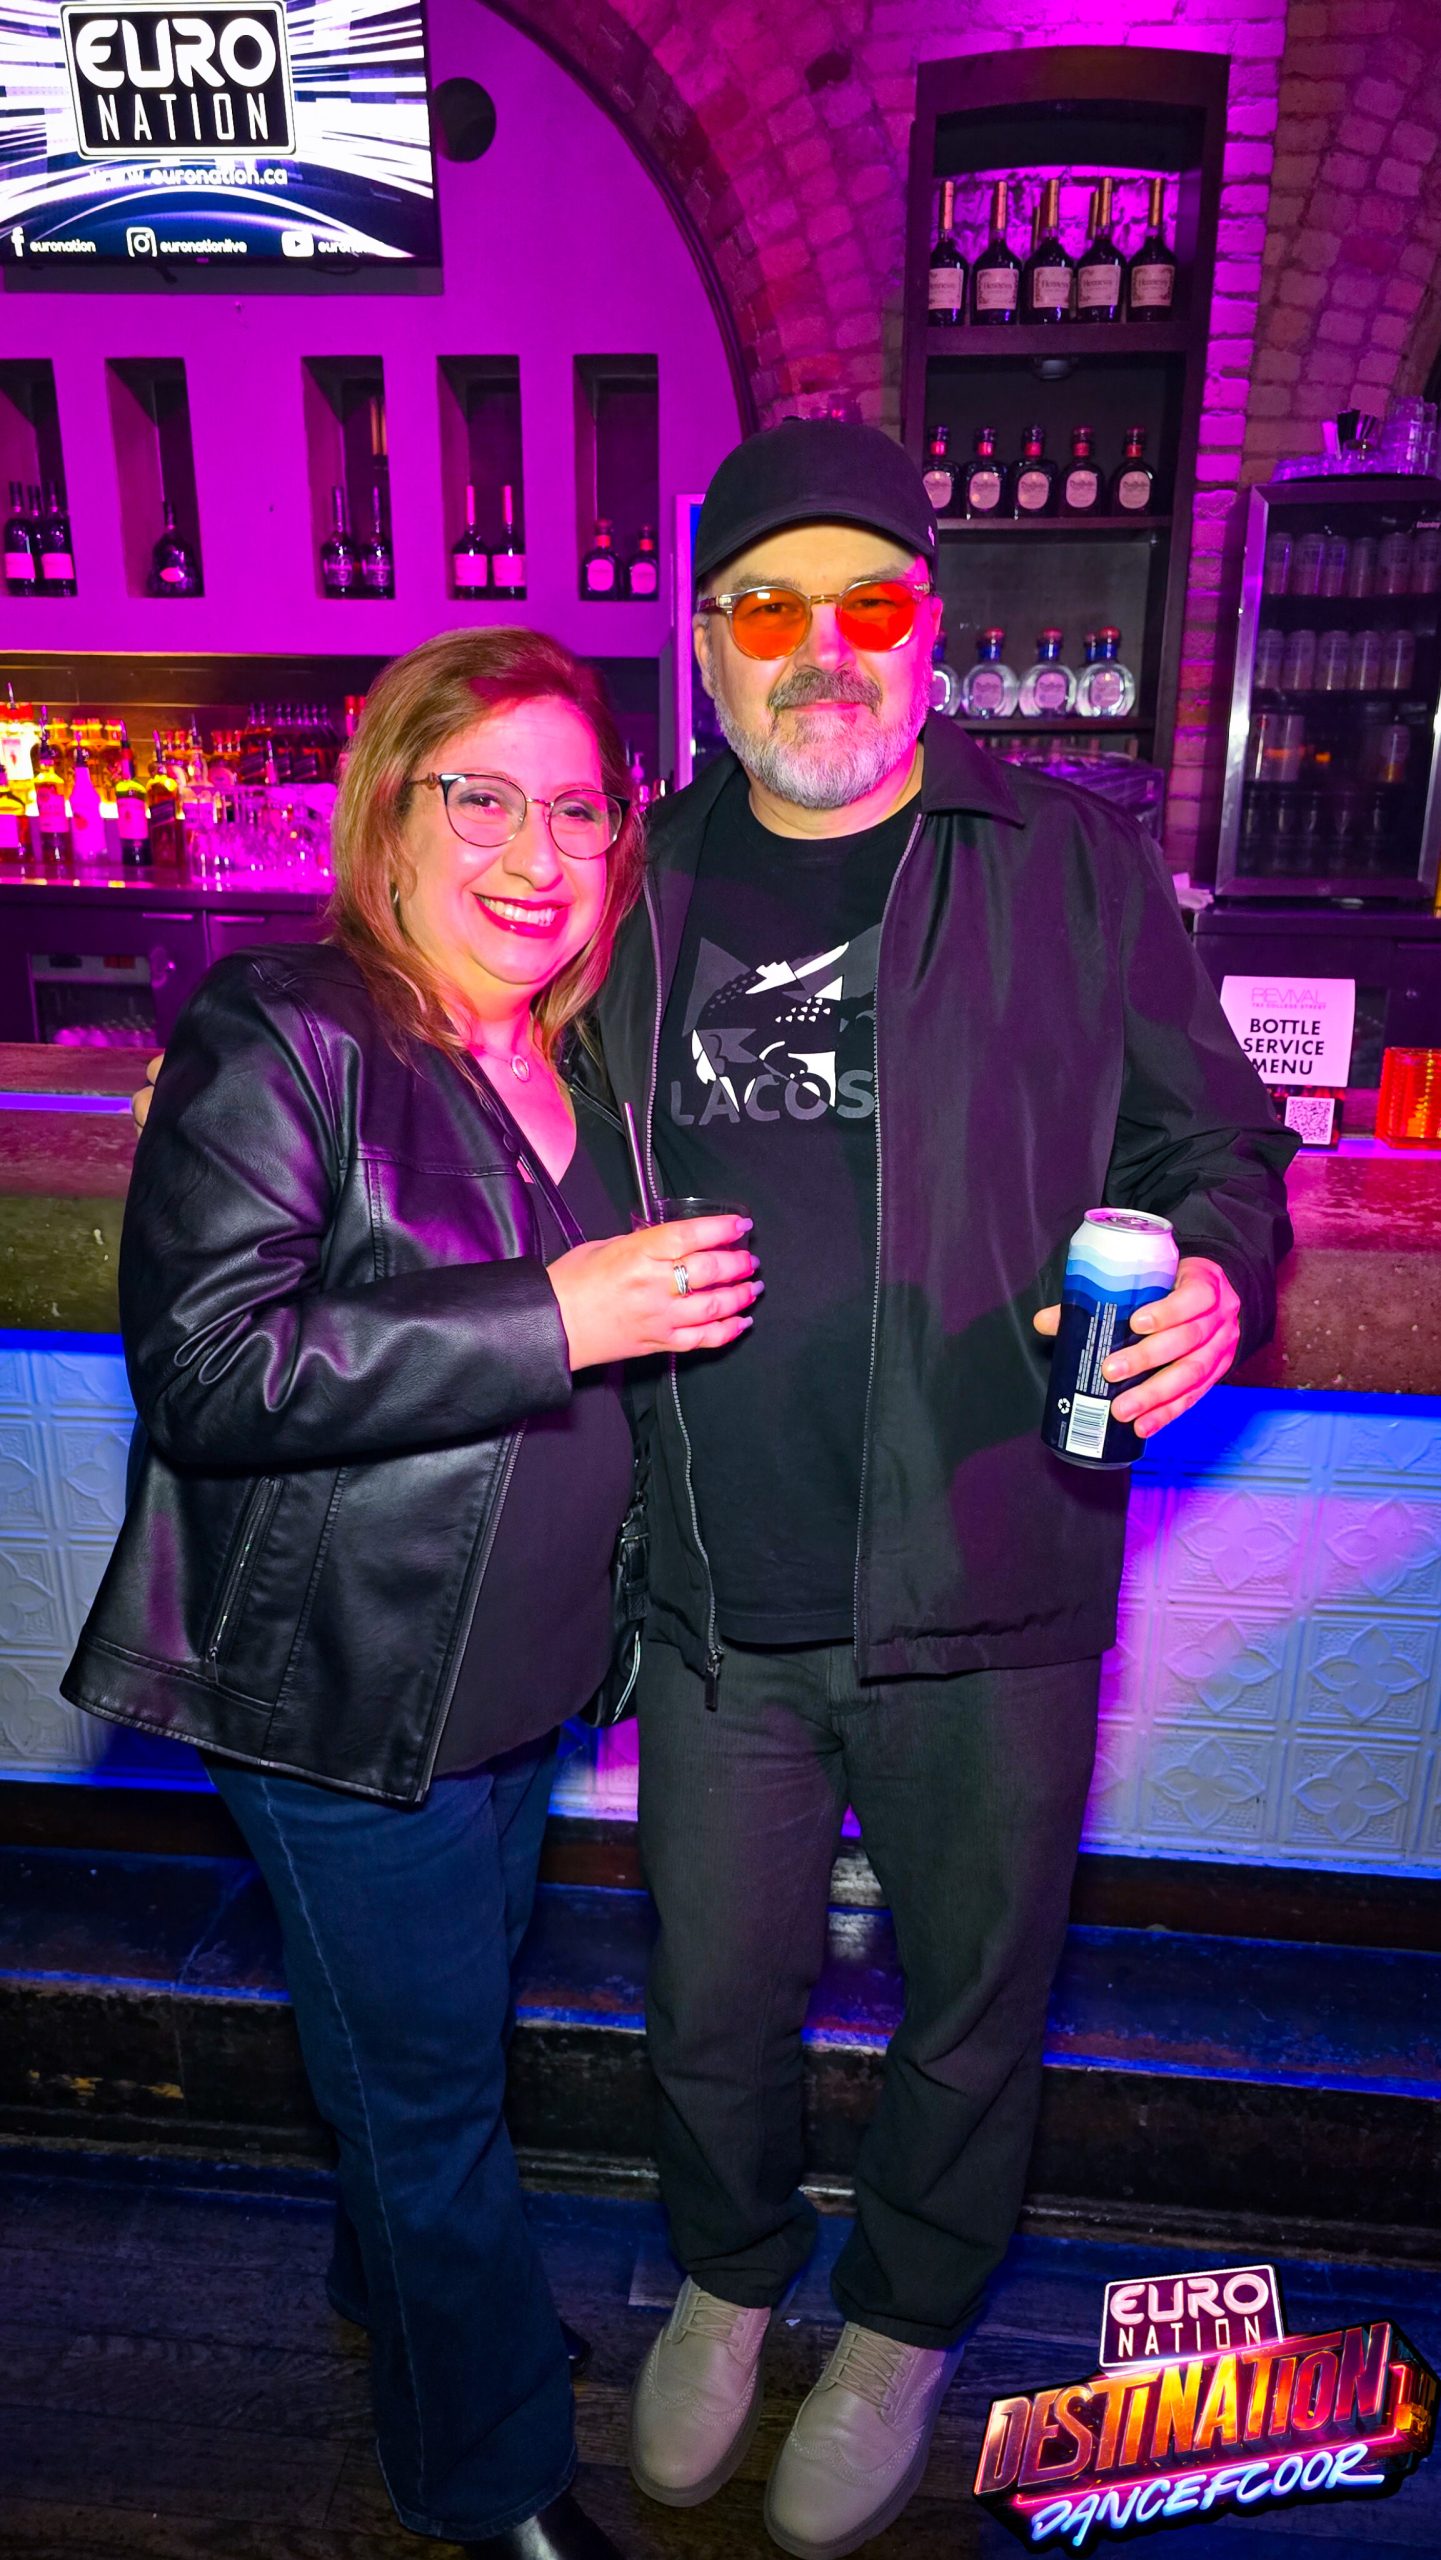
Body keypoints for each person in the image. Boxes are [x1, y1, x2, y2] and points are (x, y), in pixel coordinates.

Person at [591, 421, 1296, 2557]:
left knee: (973, 2003)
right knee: (709, 2000)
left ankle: (901, 2318)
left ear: (932, 631)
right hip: (712, 1587)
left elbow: (1215, 1144)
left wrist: (1218, 1271)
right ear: (705, 647)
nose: (819, 648)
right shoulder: (628, 876)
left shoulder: (1070, 864)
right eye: (765, 607)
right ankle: (729, 2273)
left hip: (992, 1567)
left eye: (866, 601)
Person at [65, 628, 761, 2560]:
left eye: (577, 811)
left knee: (419, 2055)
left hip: (518, 1681)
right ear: (391, 812)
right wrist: (556, 1312)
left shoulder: (578, 1066)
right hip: (343, 1697)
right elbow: (210, 1371)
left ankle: (402, 2293)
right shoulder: (287, 1028)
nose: (534, 853)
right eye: (483, 799)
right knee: (437, 2090)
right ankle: (491, 2475)